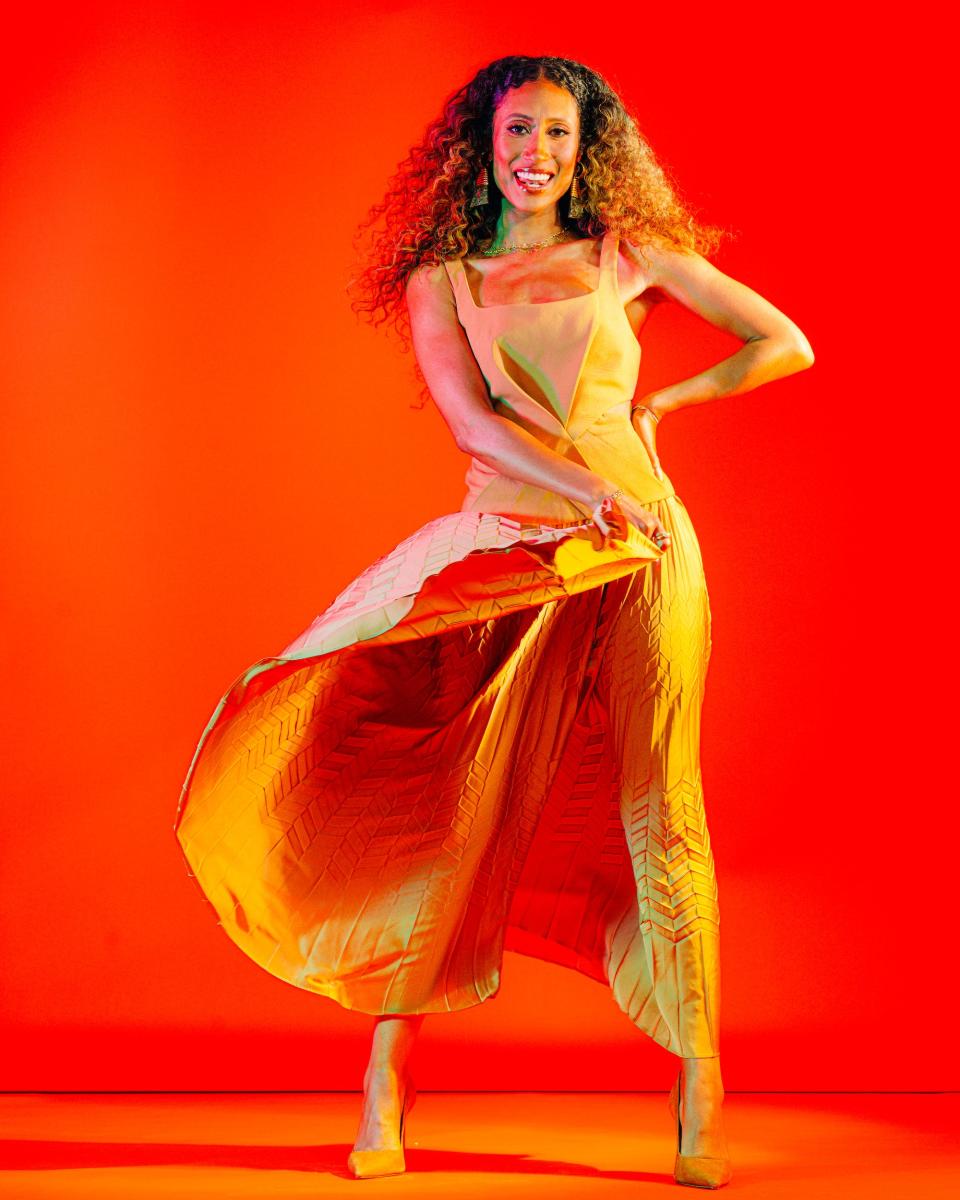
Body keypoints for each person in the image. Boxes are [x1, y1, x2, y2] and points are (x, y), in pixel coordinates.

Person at [173, 54, 813, 1189]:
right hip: (518, 546)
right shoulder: (443, 280)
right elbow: (475, 427)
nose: (537, 155)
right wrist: (581, 492)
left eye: (559, 135)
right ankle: (384, 1085)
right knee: (457, 805)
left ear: (587, 147)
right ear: (484, 146)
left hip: (645, 549)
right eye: (518, 133)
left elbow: (783, 341)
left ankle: (697, 1087)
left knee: (663, 807)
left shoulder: (625, 258)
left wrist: (661, 406)